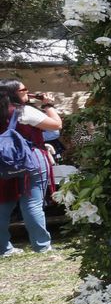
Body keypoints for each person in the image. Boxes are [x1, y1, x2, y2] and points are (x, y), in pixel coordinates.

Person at [1, 79, 62, 256]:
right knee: (32, 202)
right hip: (30, 157)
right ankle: (41, 245)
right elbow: (56, 125)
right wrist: (49, 105)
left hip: (3, 159)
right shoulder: (24, 111)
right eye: (23, 89)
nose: (27, 91)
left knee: (3, 203)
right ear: (13, 93)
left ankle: (3, 248)